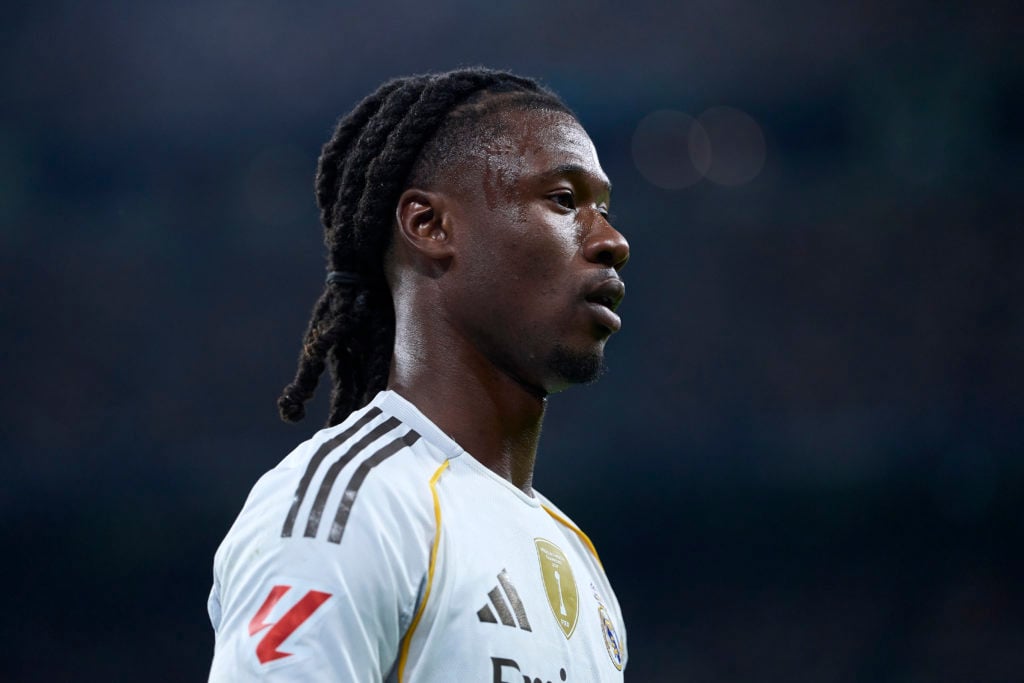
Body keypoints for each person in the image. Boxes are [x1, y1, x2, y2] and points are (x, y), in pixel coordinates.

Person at [208, 67, 630, 682]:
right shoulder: (355, 506)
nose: (612, 240)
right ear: (430, 226)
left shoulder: (575, 556)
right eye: (565, 201)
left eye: (604, 209)